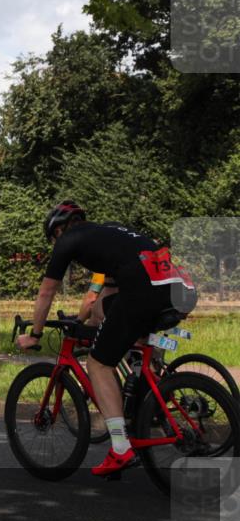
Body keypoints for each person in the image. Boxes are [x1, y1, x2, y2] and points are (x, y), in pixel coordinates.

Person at [16, 201, 189, 476]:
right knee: (127, 335)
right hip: (180, 289)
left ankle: (120, 448)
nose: (55, 244)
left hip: (143, 293)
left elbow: (46, 292)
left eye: (53, 239)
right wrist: (91, 321)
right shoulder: (111, 233)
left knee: (98, 364)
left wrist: (35, 334)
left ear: (59, 230)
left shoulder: (69, 240)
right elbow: (106, 297)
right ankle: (145, 401)